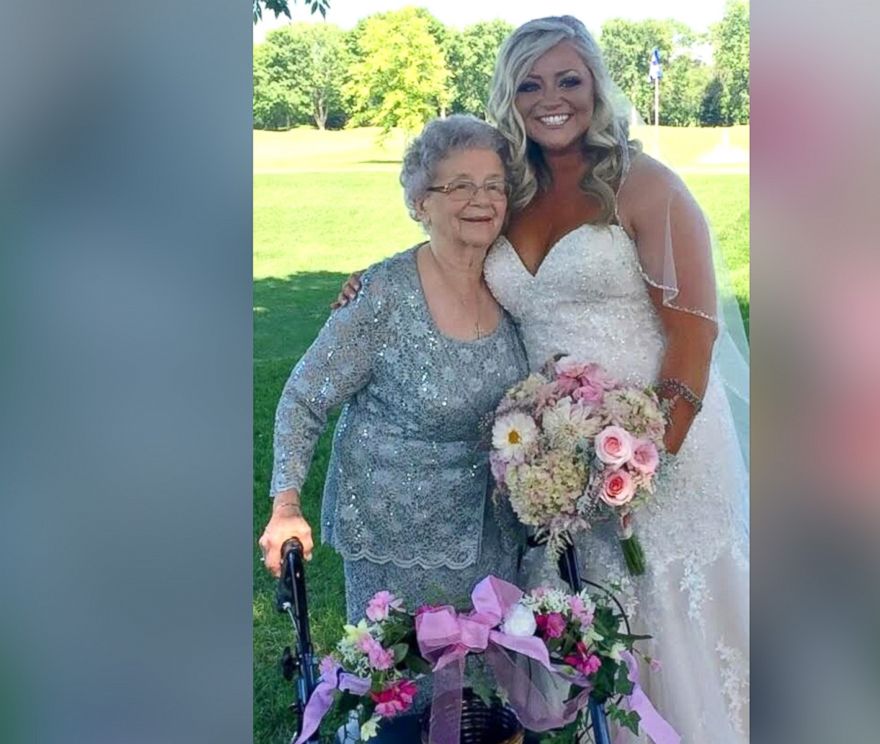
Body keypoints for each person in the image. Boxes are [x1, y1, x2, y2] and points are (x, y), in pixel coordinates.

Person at [333, 17, 750, 743]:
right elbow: (454, 246)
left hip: (658, 445)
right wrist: (375, 286)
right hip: (555, 455)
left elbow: (695, 332)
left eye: (569, 81)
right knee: (597, 626)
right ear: (510, 95)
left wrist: (643, 459)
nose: (551, 99)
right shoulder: (511, 190)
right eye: (530, 84)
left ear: (596, 86)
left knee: (671, 621)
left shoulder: (643, 185)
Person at [258, 114, 528, 628]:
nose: (482, 199)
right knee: (405, 695)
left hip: (492, 535)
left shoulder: (511, 284)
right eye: (461, 186)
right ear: (421, 202)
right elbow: (303, 397)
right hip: (396, 538)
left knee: (485, 696)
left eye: (495, 186)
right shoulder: (380, 295)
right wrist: (286, 504)